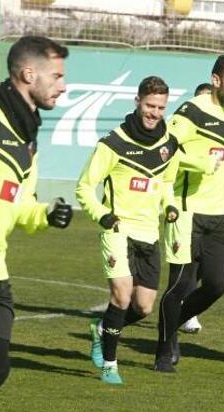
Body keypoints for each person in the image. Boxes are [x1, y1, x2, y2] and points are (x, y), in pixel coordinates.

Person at [0, 36, 72, 412]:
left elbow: (20, 202)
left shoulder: (27, 137)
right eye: (56, 76)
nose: (62, 85)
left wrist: (45, 215)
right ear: (28, 74)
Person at [153, 54, 224, 371]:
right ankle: (164, 349)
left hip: (219, 214)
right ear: (216, 80)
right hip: (187, 211)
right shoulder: (191, 112)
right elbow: (164, 147)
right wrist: (198, 163)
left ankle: (171, 328)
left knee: (216, 285)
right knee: (180, 286)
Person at [76, 76, 180, 384]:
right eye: (149, 105)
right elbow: (84, 186)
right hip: (118, 231)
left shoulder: (169, 144)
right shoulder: (113, 143)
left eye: (160, 107)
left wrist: (170, 206)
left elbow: (168, 183)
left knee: (144, 307)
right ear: (137, 101)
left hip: (149, 234)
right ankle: (110, 365)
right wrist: (103, 216)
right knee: (121, 297)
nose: (154, 113)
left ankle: (100, 328)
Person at [178, 80, 214, 335]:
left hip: (215, 209)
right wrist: (200, 164)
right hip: (186, 206)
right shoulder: (185, 128)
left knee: (210, 271)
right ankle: (186, 315)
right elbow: (169, 153)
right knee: (187, 265)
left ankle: (185, 307)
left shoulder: (222, 130)